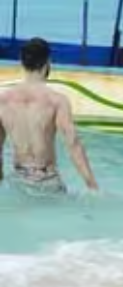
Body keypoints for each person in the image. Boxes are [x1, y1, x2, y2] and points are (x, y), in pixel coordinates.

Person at [0, 38, 99, 194]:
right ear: (47, 62)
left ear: (22, 62)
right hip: (47, 181)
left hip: (18, 181)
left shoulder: (3, 100)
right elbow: (73, 143)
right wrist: (92, 185)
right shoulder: (56, 101)